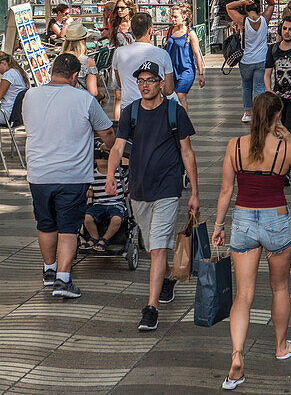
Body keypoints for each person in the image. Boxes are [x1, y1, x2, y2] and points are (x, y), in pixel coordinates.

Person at [212, 92, 291, 386]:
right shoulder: (284, 148)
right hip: (276, 220)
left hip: (243, 221)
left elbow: (225, 190)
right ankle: (281, 347)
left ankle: (236, 355)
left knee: (244, 294)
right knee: (280, 288)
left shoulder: (235, 146)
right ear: (276, 117)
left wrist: (220, 225)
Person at [107, 59, 199, 331]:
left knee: (157, 248)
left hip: (168, 188)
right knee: (152, 250)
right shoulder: (131, 112)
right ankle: (168, 278)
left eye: (150, 80)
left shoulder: (175, 112)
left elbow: (187, 152)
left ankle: (151, 309)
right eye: (141, 81)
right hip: (139, 189)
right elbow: (117, 147)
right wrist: (111, 175)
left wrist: (194, 191)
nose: (145, 85)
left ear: (162, 84)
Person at [22, 53, 114, 298]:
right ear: (75, 76)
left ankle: (49, 271)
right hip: (72, 175)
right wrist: (109, 146)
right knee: (68, 228)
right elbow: (106, 132)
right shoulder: (84, 98)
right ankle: (63, 279)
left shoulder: (30, 95)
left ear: (52, 71)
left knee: (45, 223)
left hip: (39, 174)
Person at [112, 11, 174, 118]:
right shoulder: (163, 54)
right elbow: (168, 89)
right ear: (150, 30)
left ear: (132, 30)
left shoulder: (119, 52)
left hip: (128, 108)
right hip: (154, 108)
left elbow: (120, 83)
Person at [226, 0, 276, 124]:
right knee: (260, 87)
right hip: (262, 59)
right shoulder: (264, 19)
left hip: (246, 60)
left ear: (246, 10)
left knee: (246, 86)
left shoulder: (243, 21)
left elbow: (229, 7)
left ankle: (247, 113)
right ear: (259, 9)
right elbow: (272, 3)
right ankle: (259, 114)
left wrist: (242, 2)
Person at [82, 147, 126, 252]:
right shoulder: (93, 174)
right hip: (98, 204)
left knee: (116, 219)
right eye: (99, 157)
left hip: (116, 203)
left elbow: (127, 188)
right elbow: (90, 190)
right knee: (86, 218)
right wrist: (87, 192)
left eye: (106, 157)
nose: (102, 160)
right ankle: (94, 237)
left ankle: (105, 239)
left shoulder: (119, 173)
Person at [164, 4, 205, 112]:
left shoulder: (190, 34)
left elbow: (197, 54)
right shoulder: (170, 30)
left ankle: (185, 124)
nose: (173, 19)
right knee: (171, 98)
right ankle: (175, 121)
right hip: (171, 71)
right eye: (172, 16)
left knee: (180, 96)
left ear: (184, 17)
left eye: (175, 17)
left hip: (186, 70)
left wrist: (201, 74)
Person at [60, 22, 99, 99]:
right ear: (83, 41)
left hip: (62, 100)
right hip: (81, 101)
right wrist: (102, 96)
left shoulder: (58, 59)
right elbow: (93, 92)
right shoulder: (88, 62)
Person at [0, 49, 29, 122]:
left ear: (3, 63)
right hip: (18, 113)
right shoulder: (22, 73)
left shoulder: (8, 75)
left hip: (6, 114)